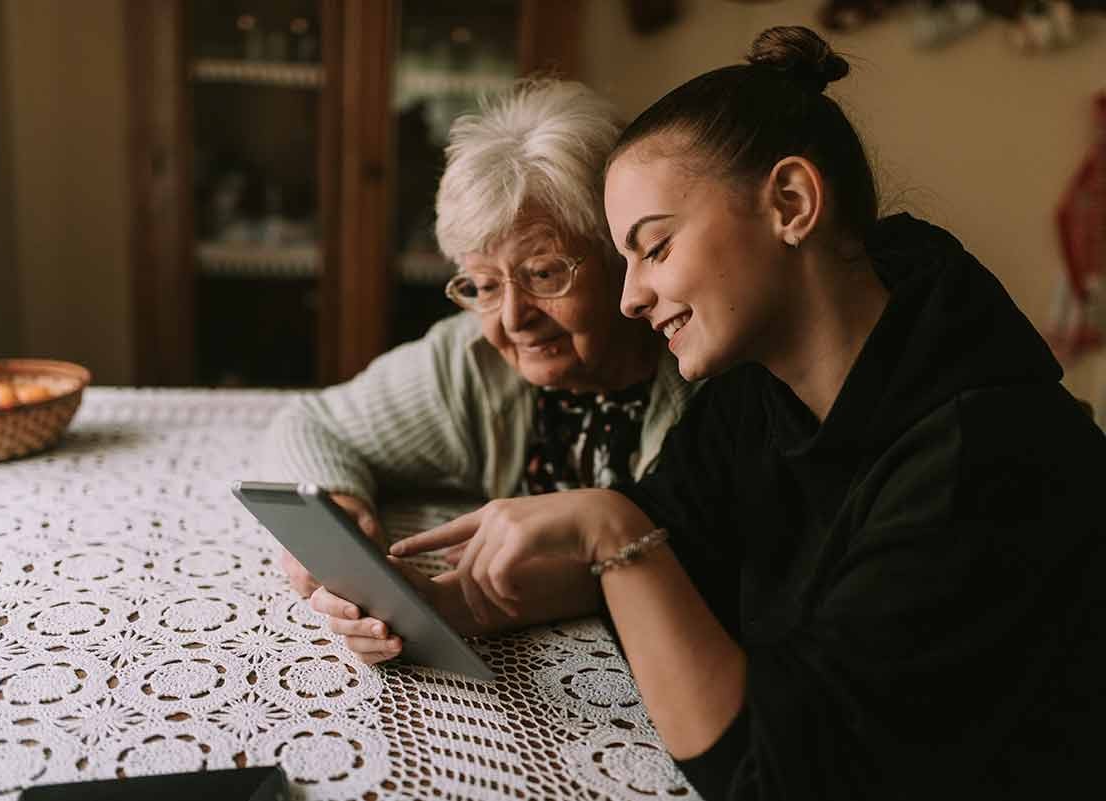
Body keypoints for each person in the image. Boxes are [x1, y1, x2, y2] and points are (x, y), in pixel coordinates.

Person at [369, 26, 1106, 800]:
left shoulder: (987, 458)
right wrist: (432, 602)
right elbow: (670, 545)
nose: (629, 297)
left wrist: (613, 529)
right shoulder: (757, 390)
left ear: (791, 203)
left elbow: (775, 776)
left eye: (653, 248)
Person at [263, 79, 695, 662]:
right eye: (484, 286)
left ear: (622, 252)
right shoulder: (470, 362)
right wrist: (342, 517)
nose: (513, 318)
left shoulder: (701, 374)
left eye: (544, 274)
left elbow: (701, 555)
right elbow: (310, 423)